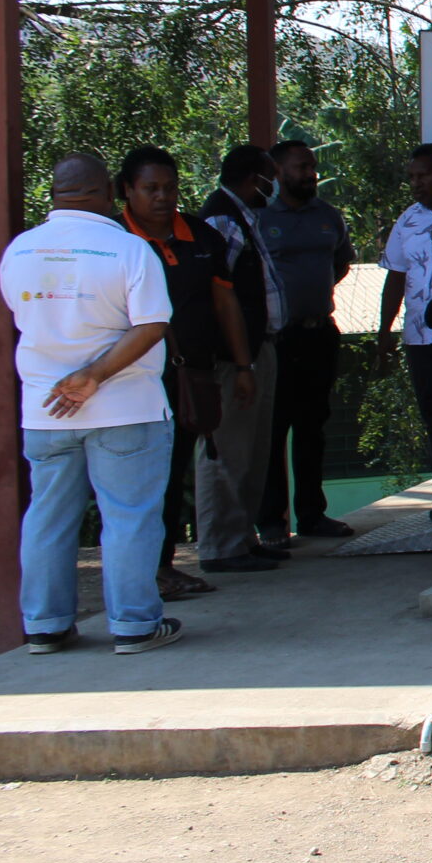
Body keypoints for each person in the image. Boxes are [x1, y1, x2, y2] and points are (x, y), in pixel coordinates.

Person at [2, 154, 182, 653]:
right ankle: (134, 626)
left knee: (47, 517)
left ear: (55, 192)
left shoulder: (18, 252)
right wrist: (95, 374)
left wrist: (71, 375)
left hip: (46, 410)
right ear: (108, 190)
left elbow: (25, 319)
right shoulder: (128, 249)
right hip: (127, 407)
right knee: (128, 516)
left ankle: (45, 625)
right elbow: (151, 324)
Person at [117, 147, 259, 593]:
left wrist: (242, 365)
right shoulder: (113, 239)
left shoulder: (201, 237)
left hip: (185, 380)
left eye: (170, 188)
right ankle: (142, 576)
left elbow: (224, 302)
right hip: (123, 382)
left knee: (173, 471)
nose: (162, 197)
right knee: (132, 482)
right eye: (150, 189)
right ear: (127, 191)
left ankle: (162, 567)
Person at [257, 139, 355, 540]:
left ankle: (312, 515)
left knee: (313, 426)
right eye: (300, 167)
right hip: (278, 340)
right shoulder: (261, 218)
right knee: (274, 429)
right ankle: (271, 523)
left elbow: (340, 263)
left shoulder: (328, 215)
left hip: (319, 335)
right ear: (278, 172)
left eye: (312, 166)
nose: (310, 173)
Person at [197, 145, 289, 566]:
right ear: (256, 177)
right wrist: (238, 361)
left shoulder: (244, 216)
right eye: (270, 176)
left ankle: (243, 535)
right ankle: (220, 545)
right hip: (236, 359)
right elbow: (217, 297)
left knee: (253, 449)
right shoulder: (221, 220)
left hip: (257, 349)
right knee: (227, 448)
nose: (274, 185)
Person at [378, 144, 432, 512]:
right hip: (420, 336)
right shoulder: (408, 220)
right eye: (411, 177)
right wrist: (383, 332)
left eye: (423, 175)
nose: (416, 183)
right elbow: (395, 276)